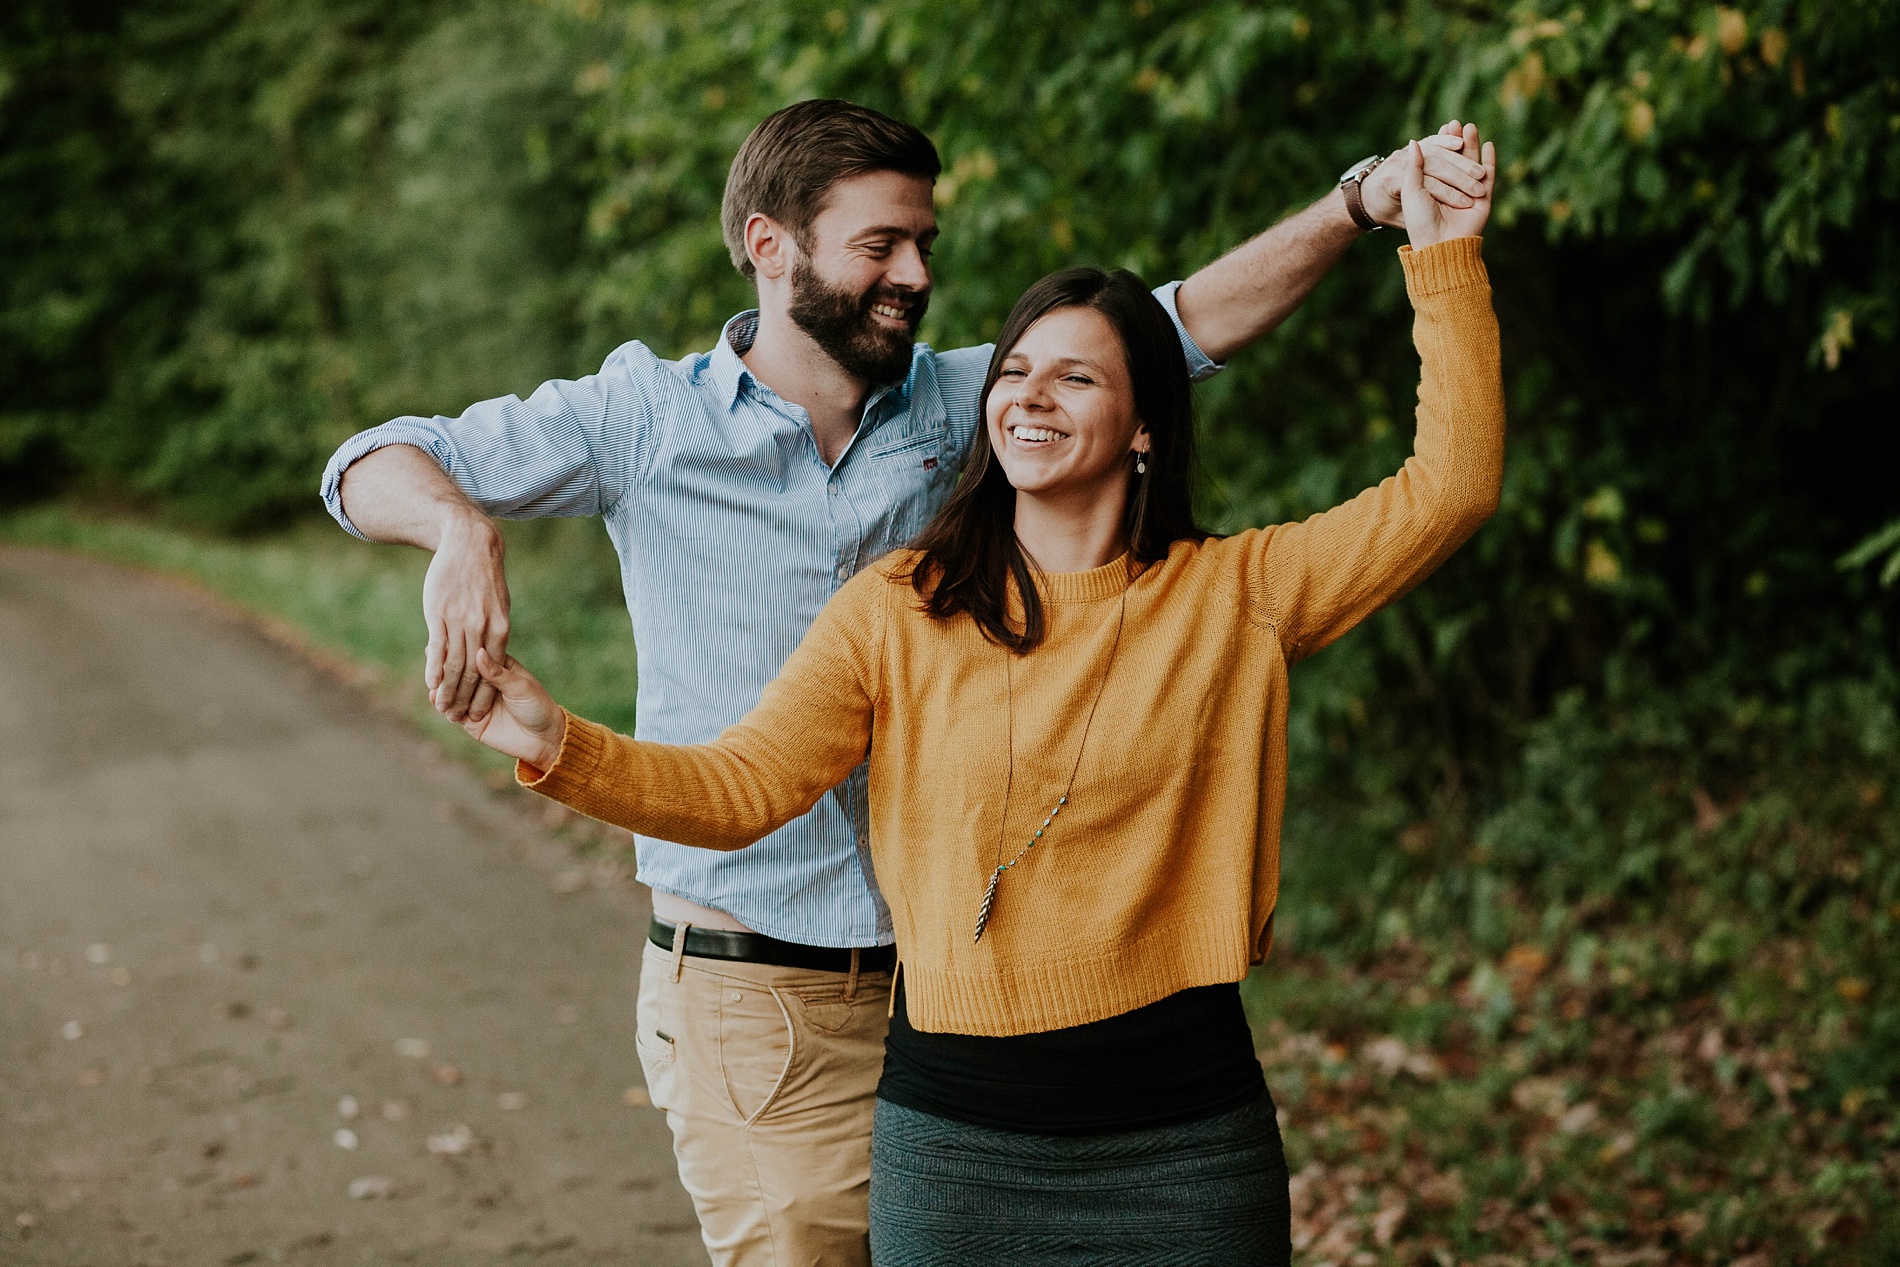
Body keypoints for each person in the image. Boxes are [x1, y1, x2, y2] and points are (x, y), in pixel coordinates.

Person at [320, 99, 1493, 1265]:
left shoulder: (1015, 437)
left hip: (1016, 1032)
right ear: (770, 245)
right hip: (769, 992)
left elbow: (1179, 330)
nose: (916, 273)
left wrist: (1373, 211)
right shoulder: (657, 428)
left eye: (923, 243)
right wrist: (468, 548)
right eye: (881, 245)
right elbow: (376, 459)